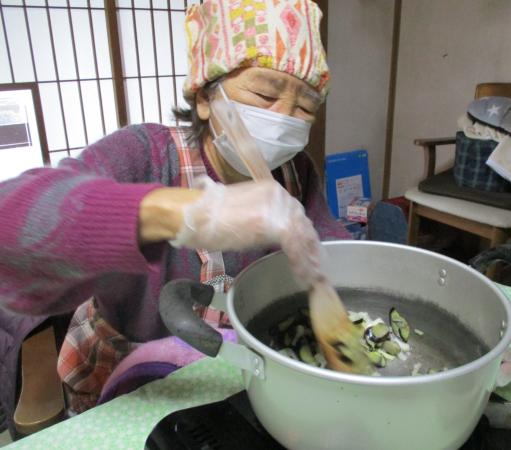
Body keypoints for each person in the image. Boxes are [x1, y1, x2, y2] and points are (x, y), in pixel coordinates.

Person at [0, 0, 348, 423]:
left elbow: (333, 254)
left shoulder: (296, 173)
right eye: (265, 94)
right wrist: (183, 213)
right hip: (129, 385)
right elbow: (11, 222)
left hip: (233, 377)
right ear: (204, 97)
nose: (285, 119)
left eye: (305, 108)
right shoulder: (145, 155)